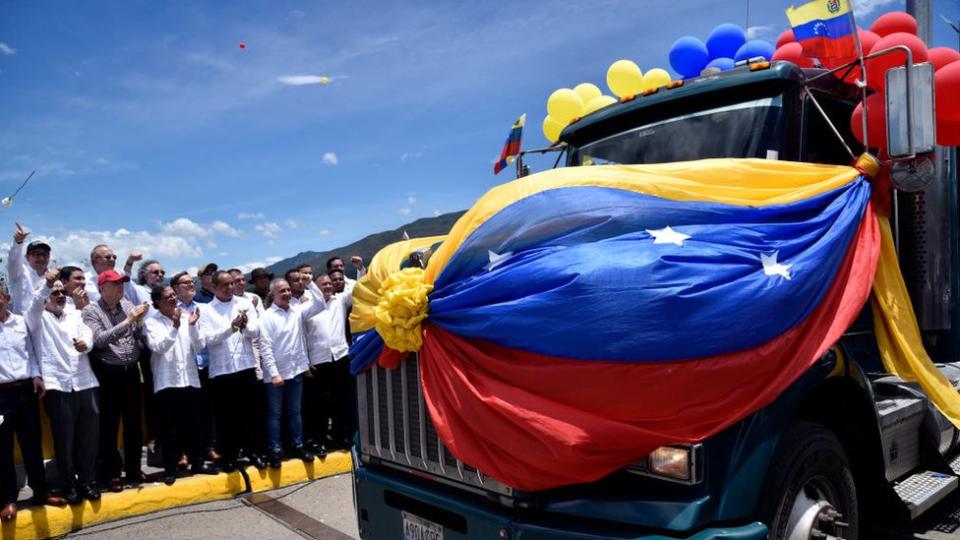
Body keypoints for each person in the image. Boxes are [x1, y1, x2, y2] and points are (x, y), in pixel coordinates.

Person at [26, 271, 100, 505]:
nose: (59, 295)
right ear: (45, 295)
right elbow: (36, 304)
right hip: (57, 384)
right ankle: (68, 484)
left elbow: (87, 334)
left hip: (84, 381)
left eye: (61, 292)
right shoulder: (36, 318)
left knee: (88, 435)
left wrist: (84, 344)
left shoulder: (73, 314)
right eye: (53, 292)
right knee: (64, 438)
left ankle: (87, 481)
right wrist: (45, 286)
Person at [0, 281, 66, 522]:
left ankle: (41, 492)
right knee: (2, 448)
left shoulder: (20, 322)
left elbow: (31, 352)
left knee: (32, 444)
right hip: (0, 398)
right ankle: (7, 499)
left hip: (26, 392)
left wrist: (37, 375)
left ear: (6, 298)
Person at [82, 269, 149, 492]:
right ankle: (112, 473)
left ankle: (132, 469)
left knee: (133, 424)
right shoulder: (91, 310)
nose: (120, 287)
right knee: (109, 425)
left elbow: (138, 336)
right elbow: (99, 340)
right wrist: (129, 321)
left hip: (130, 371)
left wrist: (138, 323)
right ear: (102, 288)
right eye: (115, 284)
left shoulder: (128, 305)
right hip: (108, 373)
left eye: (122, 284)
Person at [144, 285, 219, 485]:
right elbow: (158, 347)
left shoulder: (187, 317)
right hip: (166, 382)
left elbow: (199, 345)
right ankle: (170, 468)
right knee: (169, 429)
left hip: (189, 379)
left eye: (174, 295)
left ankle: (198, 463)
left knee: (194, 425)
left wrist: (192, 326)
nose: (173, 299)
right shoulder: (151, 322)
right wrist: (174, 327)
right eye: (168, 296)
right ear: (158, 301)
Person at [198, 271, 264, 471]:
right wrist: (231, 328)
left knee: (250, 414)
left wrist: (243, 328)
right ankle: (229, 456)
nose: (230, 288)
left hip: (245, 366)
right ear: (214, 287)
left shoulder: (244, 304)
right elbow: (208, 340)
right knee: (226, 418)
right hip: (221, 371)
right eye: (225, 285)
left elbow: (257, 330)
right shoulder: (207, 310)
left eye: (232, 284)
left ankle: (253, 452)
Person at [258, 278, 327, 467]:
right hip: (276, 375)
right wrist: (274, 374)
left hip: (296, 372)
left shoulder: (297, 312)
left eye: (288, 290)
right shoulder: (266, 317)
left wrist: (310, 283)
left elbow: (320, 303)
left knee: (295, 413)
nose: (287, 293)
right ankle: (275, 450)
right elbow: (265, 348)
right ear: (273, 294)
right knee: (274, 414)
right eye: (282, 291)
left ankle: (297, 446)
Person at [171, 271, 218, 462]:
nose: (191, 285)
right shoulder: (172, 310)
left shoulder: (204, 309)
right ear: (175, 288)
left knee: (208, 410)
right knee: (184, 412)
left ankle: (209, 447)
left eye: (192, 282)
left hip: (206, 366)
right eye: (185, 283)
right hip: (185, 368)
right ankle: (183, 451)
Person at [308, 271, 356, 450]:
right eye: (324, 285)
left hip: (340, 357)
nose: (328, 286)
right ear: (316, 288)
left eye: (330, 284)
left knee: (342, 400)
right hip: (319, 361)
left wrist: (359, 269)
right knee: (320, 403)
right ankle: (320, 440)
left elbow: (359, 287)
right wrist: (306, 360)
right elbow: (303, 336)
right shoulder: (308, 307)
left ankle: (343, 436)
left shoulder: (340, 300)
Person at [6, 223, 50, 314]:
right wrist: (18, 243)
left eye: (44, 254)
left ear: (49, 257)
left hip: (47, 325)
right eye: (36, 254)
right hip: (22, 325)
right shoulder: (19, 272)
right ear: (27, 257)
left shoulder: (53, 277)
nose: (41, 258)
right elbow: (13, 259)